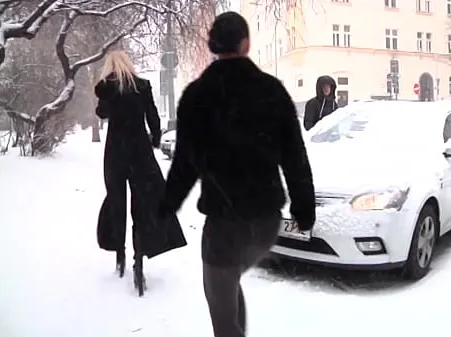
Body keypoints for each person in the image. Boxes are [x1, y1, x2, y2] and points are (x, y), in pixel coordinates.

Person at [158, 11, 316, 337]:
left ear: (213, 45)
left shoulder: (196, 96)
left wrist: (165, 207)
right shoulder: (271, 90)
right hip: (265, 223)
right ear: (246, 44)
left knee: (220, 300)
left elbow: (184, 164)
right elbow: (295, 156)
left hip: (224, 224)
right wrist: (304, 210)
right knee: (230, 282)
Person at [94, 50, 187, 297]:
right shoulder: (142, 86)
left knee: (117, 201)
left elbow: (101, 114)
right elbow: (153, 118)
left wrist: (107, 99)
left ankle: (120, 254)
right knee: (143, 204)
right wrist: (155, 140)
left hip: (116, 152)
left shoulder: (106, 87)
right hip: (140, 152)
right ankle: (139, 260)